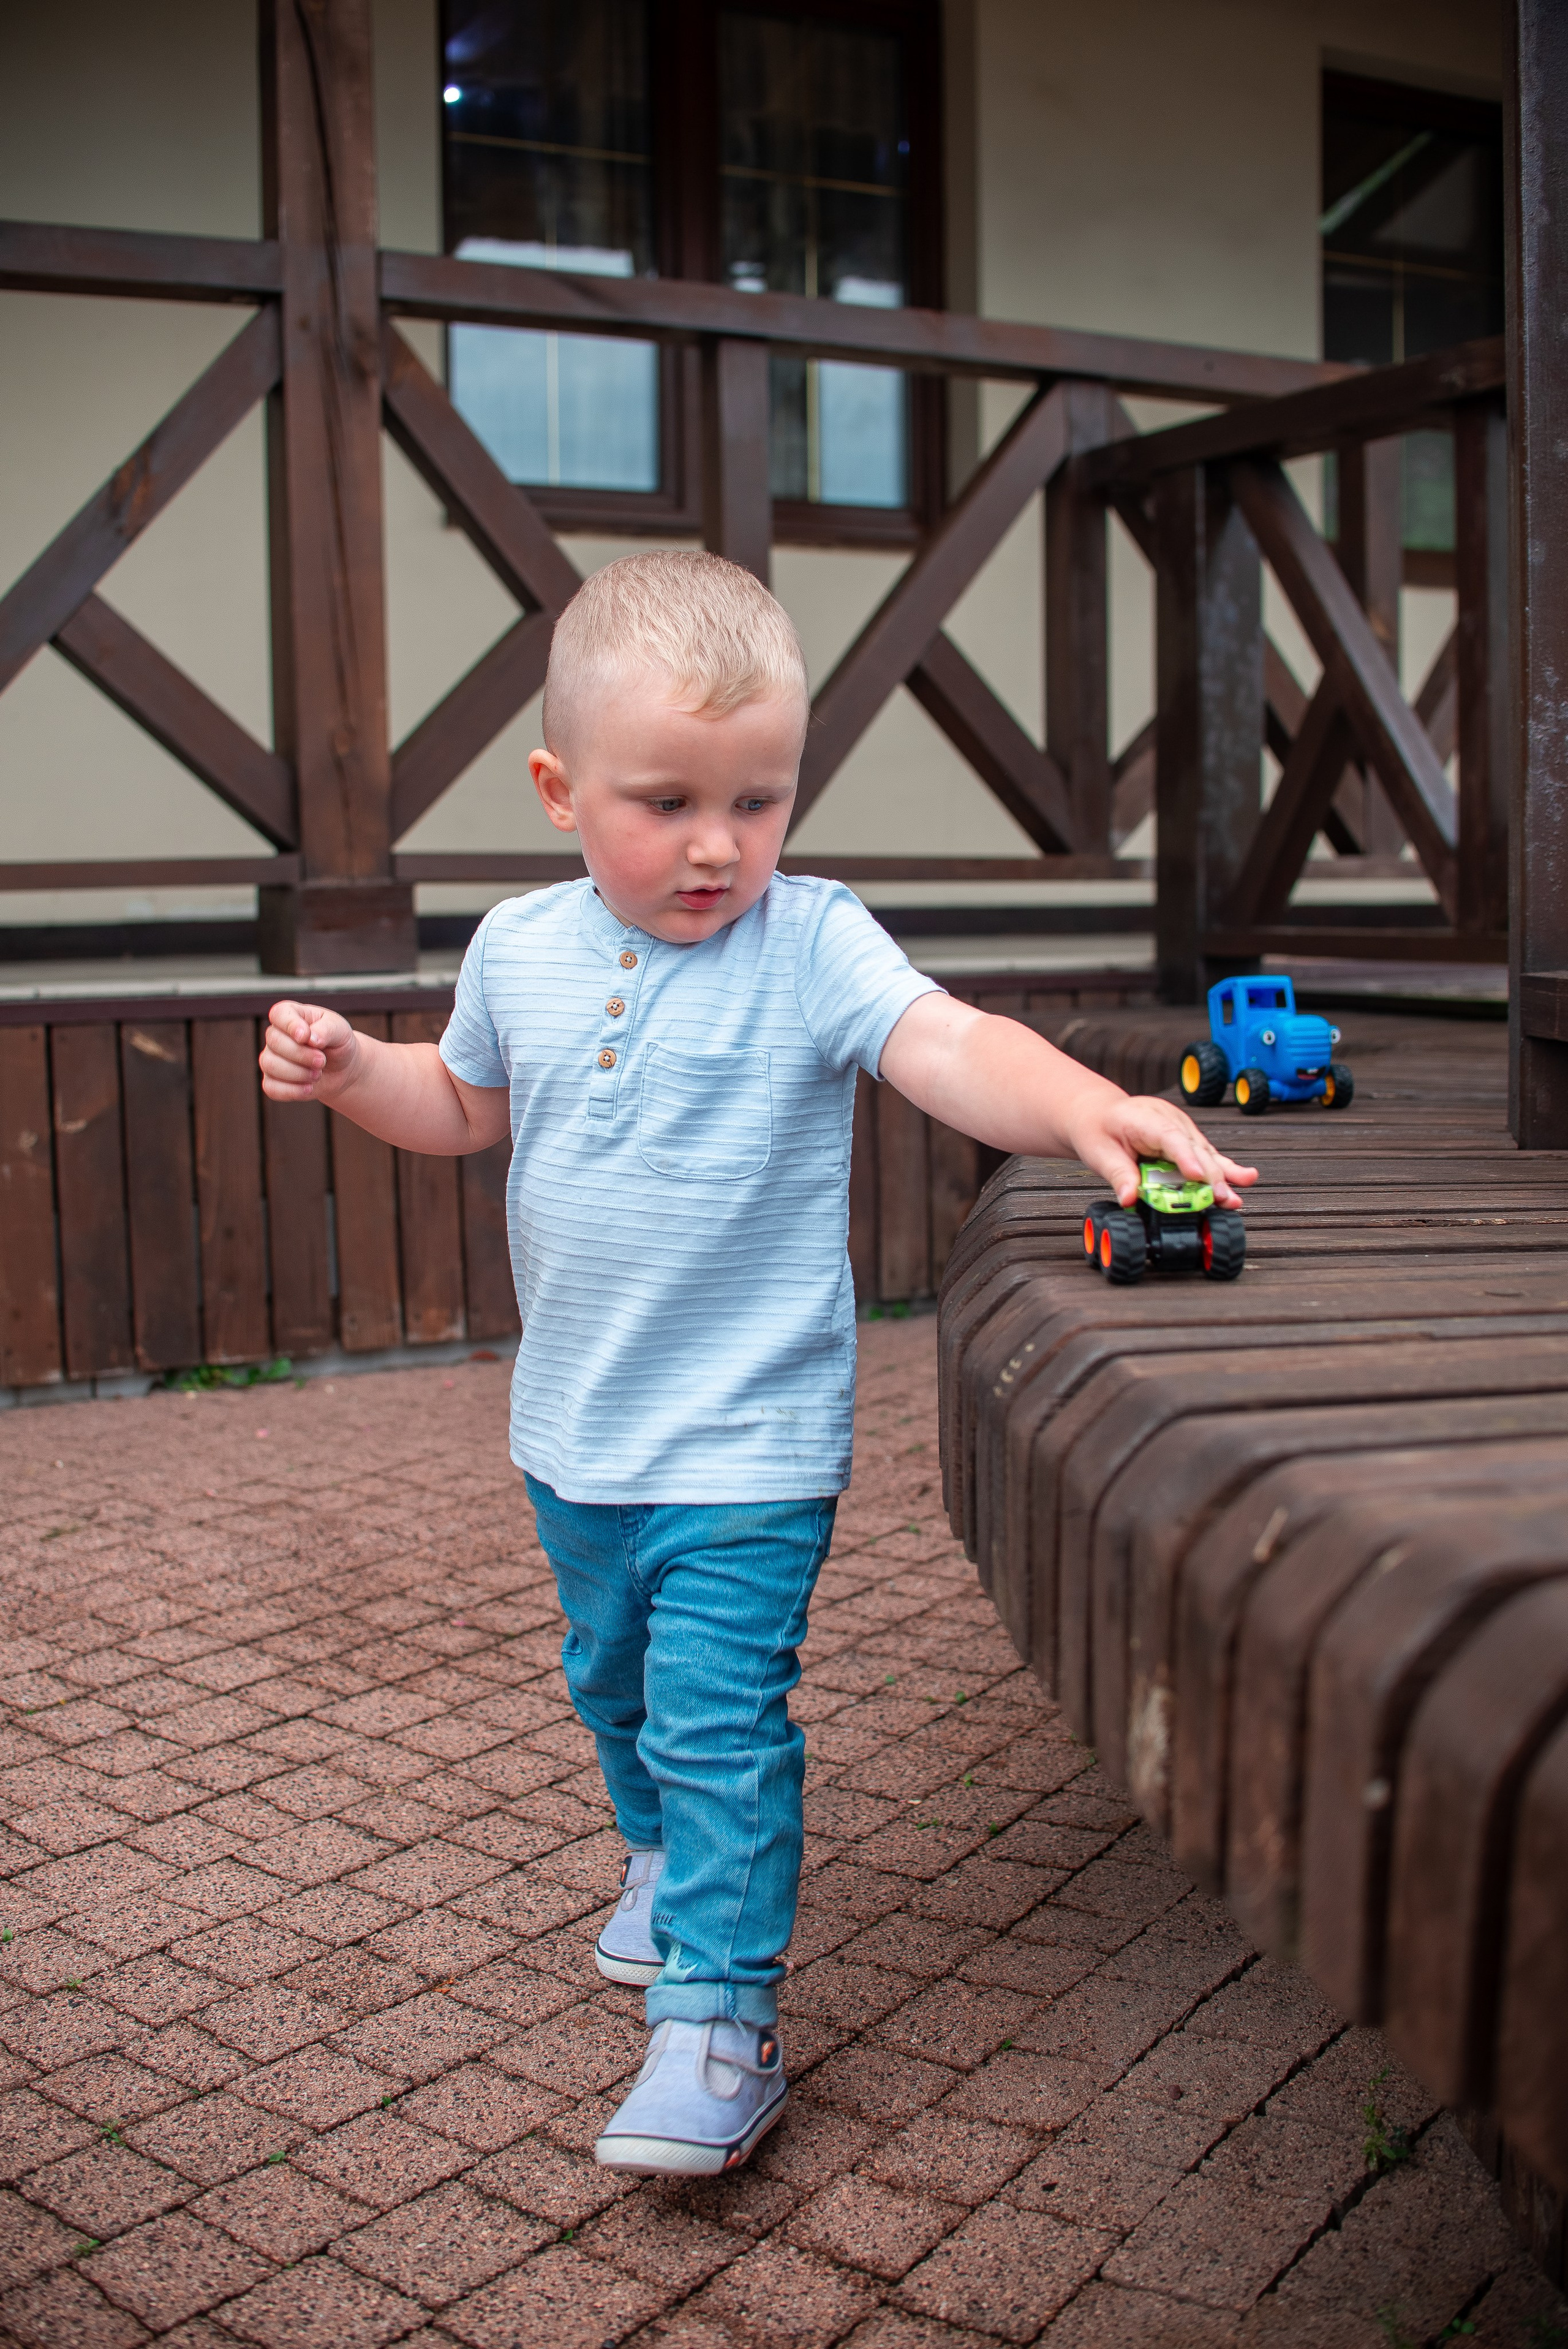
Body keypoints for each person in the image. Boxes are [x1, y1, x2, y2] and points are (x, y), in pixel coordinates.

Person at [259, 550, 1255, 2179]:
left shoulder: (812, 942)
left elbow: (944, 1044)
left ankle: (719, 2013)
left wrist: (1085, 1104)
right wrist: (359, 1067)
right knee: (615, 1682)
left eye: (761, 798)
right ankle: (656, 1857)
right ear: (559, 791)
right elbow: (463, 1111)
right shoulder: (517, 946)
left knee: (720, 1713)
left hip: (749, 1441)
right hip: (575, 1432)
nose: (720, 844)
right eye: (668, 801)